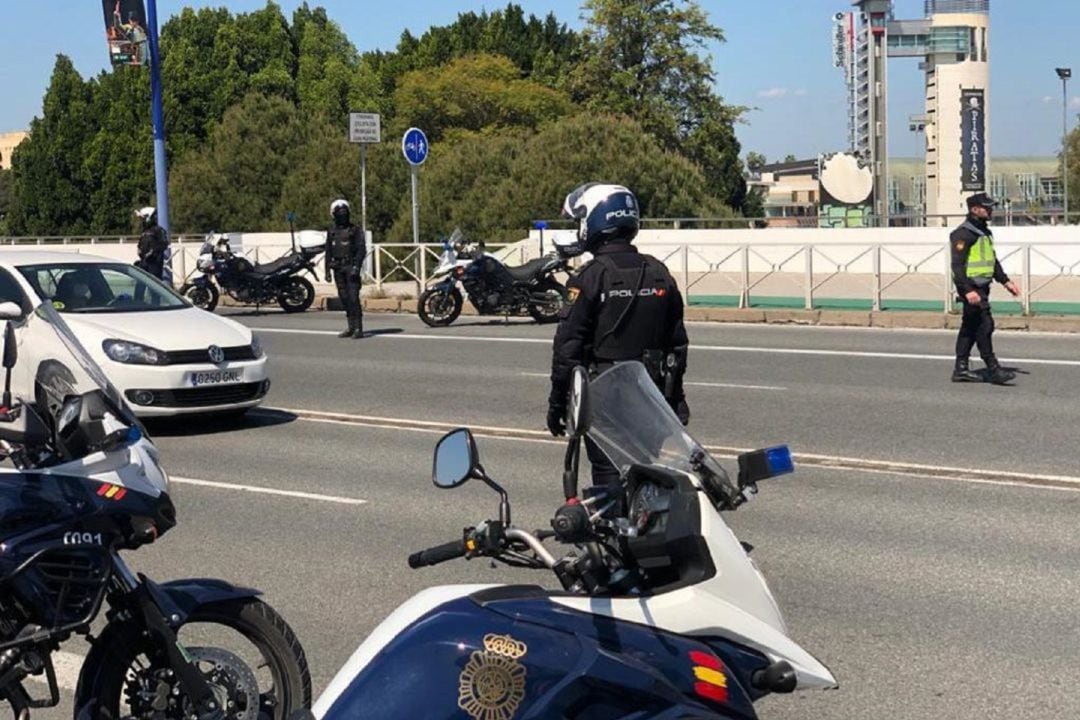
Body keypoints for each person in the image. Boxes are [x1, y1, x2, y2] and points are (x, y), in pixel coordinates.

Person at [546, 182, 689, 488]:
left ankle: (616, 534)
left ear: (595, 220)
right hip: (652, 397)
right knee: (648, 474)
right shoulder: (658, 272)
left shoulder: (590, 277)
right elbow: (677, 347)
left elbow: (567, 350)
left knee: (611, 480)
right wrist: (676, 398)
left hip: (606, 399)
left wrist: (557, 404)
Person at [950, 192, 1021, 385]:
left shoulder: (984, 232)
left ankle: (961, 369)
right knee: (985, 326)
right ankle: (993, 368)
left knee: (969, 328)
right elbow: (957, 266)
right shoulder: (963, 234)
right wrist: (967, 291)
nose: (990, 210)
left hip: (982, 287)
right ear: (974, 210)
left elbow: (992, 260)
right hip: (972, 289)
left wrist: (1006, 281)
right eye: (987, 207)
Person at [324, 199, 366, 339]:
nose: (342, 215)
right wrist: (327, 271)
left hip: (350, 267)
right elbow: (328, 251)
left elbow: (361, 250)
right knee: (344, 298)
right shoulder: (332, 231)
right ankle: (350, 327)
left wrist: (356, 267)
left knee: (354, 298)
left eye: (344, 213)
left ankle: (358, 328)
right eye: (339, 213)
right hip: (338, 268)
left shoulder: (355, 230)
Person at [134, 207, 168, 280]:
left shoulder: (158, 230)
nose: (141, 221)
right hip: (144, 263)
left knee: (154, 284)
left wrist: (153, 251)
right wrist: (139, 249)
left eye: (143, 218)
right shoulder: (145, 231)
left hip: (154, 265)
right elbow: (141, 243)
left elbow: (164, 244)